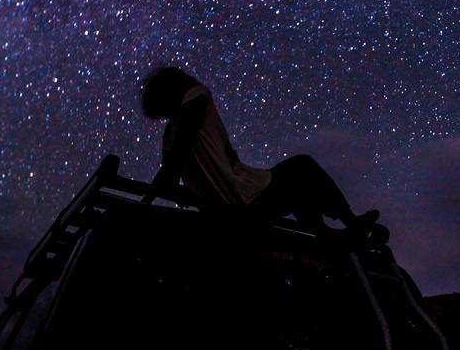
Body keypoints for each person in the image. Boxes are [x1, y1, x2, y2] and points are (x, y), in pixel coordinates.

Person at [140, 66, 380, 233]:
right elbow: (176, 166)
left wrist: (145, 202)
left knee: (294, 183)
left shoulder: (169, 134)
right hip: (243, 200)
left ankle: (323, 230)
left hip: (229, 203)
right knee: (302, 167)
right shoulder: (195, 99)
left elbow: (168, 175)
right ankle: (347, 221)